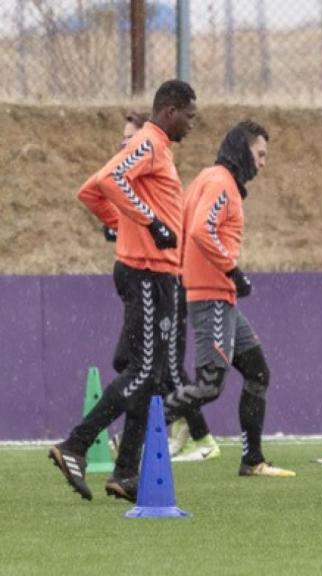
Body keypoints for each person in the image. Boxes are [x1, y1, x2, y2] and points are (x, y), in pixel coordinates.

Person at [50, 80, 197, 503]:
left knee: (148, 378)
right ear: (169, 111)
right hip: (149, 274)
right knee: (145, 372)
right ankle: (76, 445)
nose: (191, 125)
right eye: (189, 116)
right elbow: (113, 179)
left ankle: (126, 473)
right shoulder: (151, 142)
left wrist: (120, 224)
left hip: (153, 274)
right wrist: (149, 224)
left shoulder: (155, 148)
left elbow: (91, 190)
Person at [80, 110, 221, 464]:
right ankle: (129, 453)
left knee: (164, 369)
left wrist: (142, 223)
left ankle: (199, 437)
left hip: (167, 275)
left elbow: (166, 223)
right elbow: (89, 192)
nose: (125, 142)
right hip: (145, 271)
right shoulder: (137, 164)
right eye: (123, 137)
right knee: (136, 366)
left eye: (131, 136)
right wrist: (122, 224)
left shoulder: (152, 155)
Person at [161, 121, 294, 478]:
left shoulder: (211, 178)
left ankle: (252, 460)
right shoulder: (220, 181)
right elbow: (202, 229)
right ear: (243, 149)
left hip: (220, 297)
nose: (263, 163)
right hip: (212, 296)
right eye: (260, 154)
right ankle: (138, 430)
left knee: (257, 372)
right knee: (209, 385)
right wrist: (231, 269)